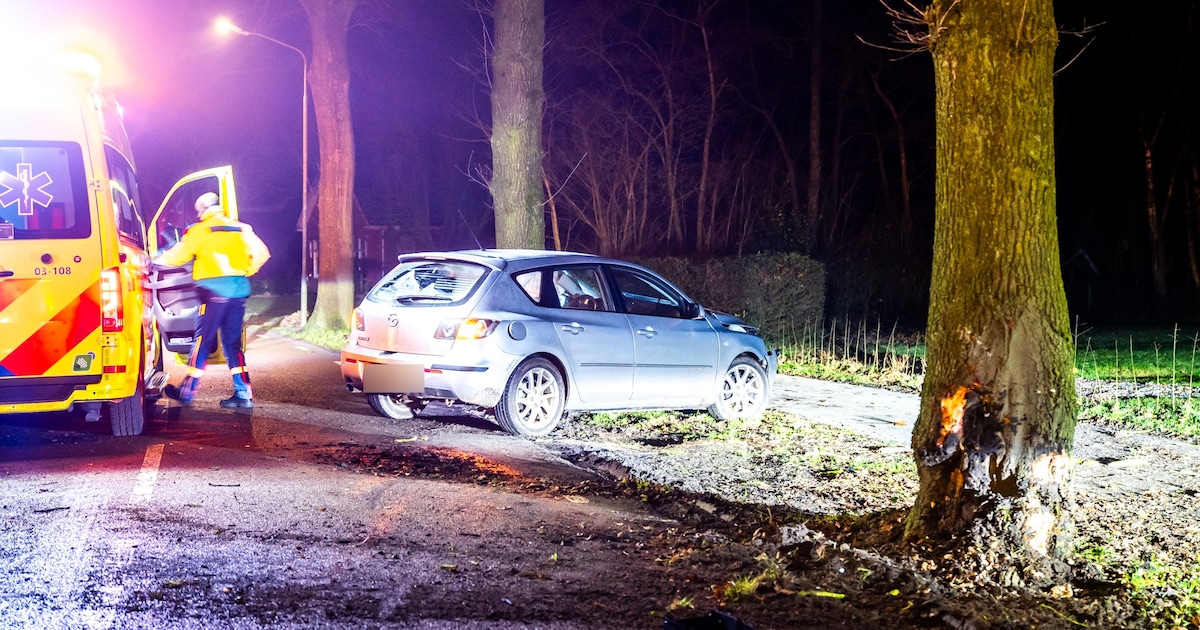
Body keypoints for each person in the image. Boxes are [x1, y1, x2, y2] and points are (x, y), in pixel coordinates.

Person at [160, 192, 271, 409]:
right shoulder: (241, 228)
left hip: (212, 294)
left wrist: (154, 260)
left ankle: (187, 391)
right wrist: (245, 271)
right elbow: (262, 254)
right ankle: (243, 393)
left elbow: (177, 257)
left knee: (202, 340)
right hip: (238, 293)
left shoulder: (200, 230)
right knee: (232, 344)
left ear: (202, 210)